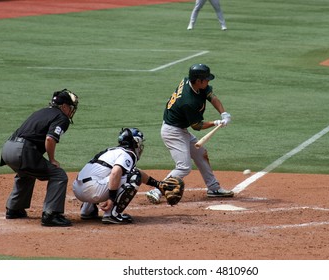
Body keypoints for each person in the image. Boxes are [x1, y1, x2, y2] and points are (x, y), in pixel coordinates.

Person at [146, 63, 233, 204]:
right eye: (206, 79)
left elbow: (211, 96)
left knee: (201, 153)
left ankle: (213, 188)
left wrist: (224, 113)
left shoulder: (192, 81)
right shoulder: (188, 101)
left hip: (180, 129)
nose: (208, 81)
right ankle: (156, 190)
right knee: (184, 167)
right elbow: (197, 126)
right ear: (198, 81)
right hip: (172, 132)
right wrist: (215, 123)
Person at [0, 89, 79, 227]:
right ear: (64, 106)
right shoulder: (62, 117)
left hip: (7, 149)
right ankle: (51, 215)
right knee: (58, 175)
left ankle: (14, 209)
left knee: (26, 172)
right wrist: (52, 159)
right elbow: (50, 139)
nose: (71, 111)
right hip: (22, 151)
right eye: (71, 107)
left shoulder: (41, 112)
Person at [72, 127, 164, 224]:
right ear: (135, 142)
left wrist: (158, 184)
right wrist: (112, 198)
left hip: (78, 189)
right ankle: (112, 214)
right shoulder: (128, 153)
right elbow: (116, 172)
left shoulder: (111, 151)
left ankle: (87, 210)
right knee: (134, 176)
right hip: (93, 190)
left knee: (107, 174)